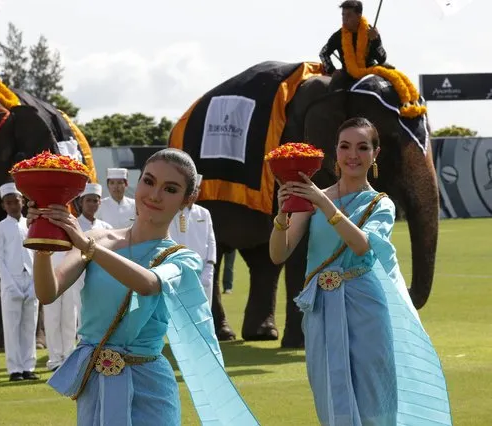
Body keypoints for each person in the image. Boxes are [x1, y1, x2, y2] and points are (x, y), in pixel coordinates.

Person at [31, 148, 259, 425]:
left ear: (188, 200)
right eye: (149, 182)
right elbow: (47, 292)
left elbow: (148, 284)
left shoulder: (181, 257)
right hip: (95, 380)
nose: (154, 195)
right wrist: (41, 242)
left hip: (148, 384)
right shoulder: (97, 239)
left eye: (170, 189)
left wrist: (86, 246)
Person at [269, 118, 452, 425]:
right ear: (335, 153)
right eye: (345, 146)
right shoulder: (314, 198)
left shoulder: (380, 204)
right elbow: (279, 253)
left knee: (372, 397)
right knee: (330, 395)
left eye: (362, 147)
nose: (353, 155)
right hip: (321, 308)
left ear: (375, 153)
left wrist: (323, 204)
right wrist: (282, 214)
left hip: (366, 308)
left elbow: (362, 246)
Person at [45, 183, 113, 371]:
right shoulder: (73, 224)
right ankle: (56, 358)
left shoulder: (105, 226)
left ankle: (74, 355)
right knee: (64, 317)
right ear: (81, 203)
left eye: (95, 200)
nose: (92, 204)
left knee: (82, 317)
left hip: (99, 277)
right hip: (76, 274)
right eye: (89, 200)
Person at [0, 182, 39, 382]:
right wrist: (10, 285)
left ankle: (28, 366)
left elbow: (37, 253)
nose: (13, 206)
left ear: (23, 201)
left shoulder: (31, 224)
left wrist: (36, 282)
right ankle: (15, 368)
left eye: (16, 201)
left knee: (30, 325)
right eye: (8, 203)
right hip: (11, 279)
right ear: (3, 205)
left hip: (30, 278)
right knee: (12, 326)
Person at [168, 174, 217, 306]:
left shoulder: (203, 213)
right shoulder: (172, 212)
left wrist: (210, 265)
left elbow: (211, 240)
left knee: (203, 307)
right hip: (177, 267)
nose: (193, 194)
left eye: (196, 190)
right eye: (190, 190)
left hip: (202, 268)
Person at [319, 1, 387, 83]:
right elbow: (323, 53)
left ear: (359, 16)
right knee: (336, 79)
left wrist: (375, 41)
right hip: (347, 75)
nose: (344, 18)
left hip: (370, 74)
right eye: (343, 15)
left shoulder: (371, 33)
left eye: (348, 15)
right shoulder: (338, 36)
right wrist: (332, 71)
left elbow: (382, 59)